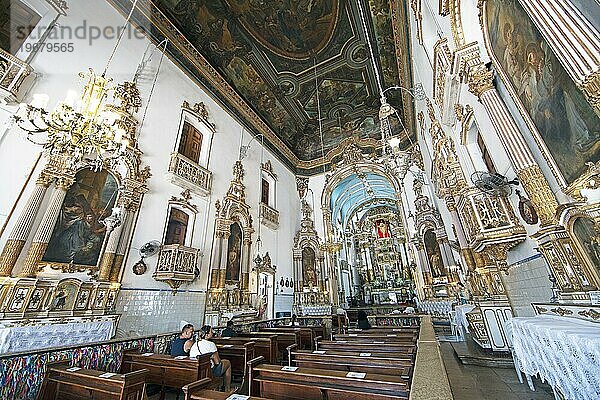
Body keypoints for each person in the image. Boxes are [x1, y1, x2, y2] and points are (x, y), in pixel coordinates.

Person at [190, 325, 232, 392]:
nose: (213, 332)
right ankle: (227, 389)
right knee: (228, 363)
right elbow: (218, 362)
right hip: (209, 372)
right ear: (206, 335)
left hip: (196, 371)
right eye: (211, 331)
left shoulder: (195, 344)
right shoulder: (211, 344)